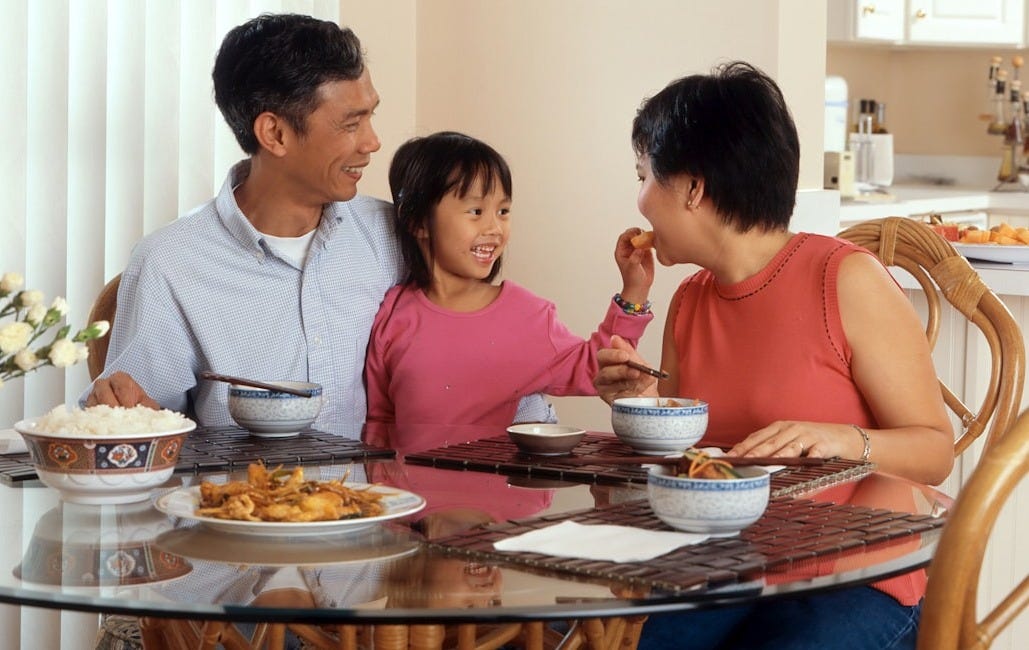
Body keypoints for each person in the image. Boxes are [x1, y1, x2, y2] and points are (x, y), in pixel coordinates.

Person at [592, 62, 953, 649]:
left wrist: (842, 440)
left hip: (860, 569)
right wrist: (646, 406)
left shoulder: (845, 279)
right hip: (734, 563)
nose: (640, 202)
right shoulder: (688, 301)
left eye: (644, 176)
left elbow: (935, 449)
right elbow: (695, 459)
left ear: (692, 187)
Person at [80, 14, 555, 437]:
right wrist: (124, 419)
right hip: (243, 524)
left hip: (394, 524)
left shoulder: (400, 235)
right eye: (351, 124)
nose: (372, 142)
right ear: (276, 133)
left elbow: (489, 340)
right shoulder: (171, 263)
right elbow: (133, 427)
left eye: (371, 115)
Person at [362, 131, 655, 454]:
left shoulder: (528, 315)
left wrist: (634, 290)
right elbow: (380, 420)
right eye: (475, 211)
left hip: (501, 498)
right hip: (414, 499)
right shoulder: (393, 312)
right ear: (418, 221)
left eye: (503, 211)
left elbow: (597, 367)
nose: (494, 228)